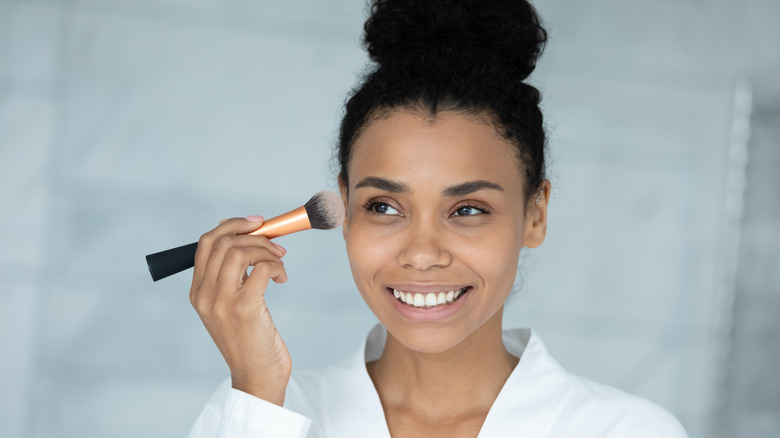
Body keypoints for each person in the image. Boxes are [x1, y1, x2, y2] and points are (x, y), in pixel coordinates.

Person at [188, 0, 689, 436]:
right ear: (343, 208)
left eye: (468, 210)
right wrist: (254, 390)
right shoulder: (262, 412)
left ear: (535, 215)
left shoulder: (629, 431)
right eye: (384, 207)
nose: (423, 253)